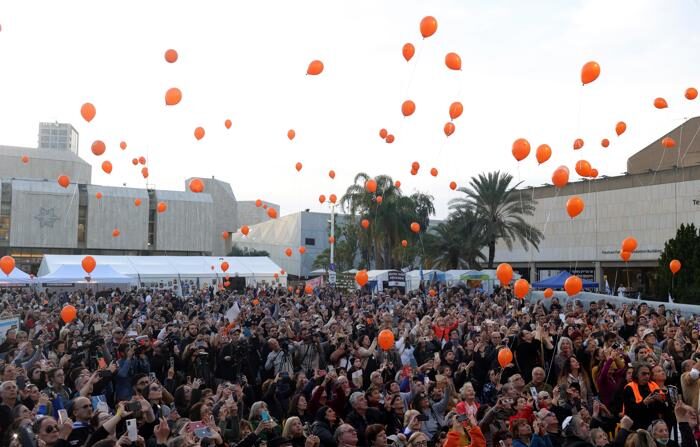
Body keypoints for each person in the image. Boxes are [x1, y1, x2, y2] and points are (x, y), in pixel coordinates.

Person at [623, 364, 666, 430]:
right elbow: (629, 411)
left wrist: (661, 401)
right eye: (644, 374)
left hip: (654, 423)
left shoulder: (653, 385)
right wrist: (644, 403)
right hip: (637, 424)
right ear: (636, 374)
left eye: (648, 374)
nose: (647, 376)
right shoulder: (629, 388)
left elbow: (662, 407)